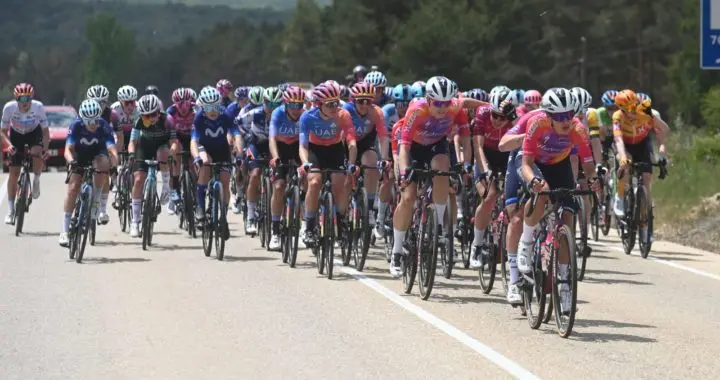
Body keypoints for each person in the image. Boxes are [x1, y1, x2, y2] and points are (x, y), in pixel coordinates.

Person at [517, 87, 600, 313]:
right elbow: (525, 163)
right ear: (549, 116)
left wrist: (593, 180)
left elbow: (589, 165)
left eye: (569, 115)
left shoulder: (577, 129)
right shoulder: (537, 124)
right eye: (560, 117)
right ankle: (525, 243)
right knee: (542, 192)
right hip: (535, 164)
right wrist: (533, 179)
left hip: (559, 165)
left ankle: (564, 281)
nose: (565, 121)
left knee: (568, 214)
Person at [390, 76, 473, 277]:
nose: (443, 108)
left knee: (443, 169)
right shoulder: (417, 109)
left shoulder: (455, 108)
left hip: (436, 146)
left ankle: (436, 226)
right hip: (413, 148)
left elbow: (466, 141)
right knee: (408, 197)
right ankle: (397, 251)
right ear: (428, 100)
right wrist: (403, 173)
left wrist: (467, 165)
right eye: (438, 103)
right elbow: (404, 146)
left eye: (446, 103)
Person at [298, 82, 357, 246]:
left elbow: (351, 142)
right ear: (318, 104)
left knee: (340, 183)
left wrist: (351, 164)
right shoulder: (307, 117)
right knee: (315, 182)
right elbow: (303, 145)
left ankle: (340, 222)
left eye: (337, 102)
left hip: (335, 149)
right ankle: (309, 225)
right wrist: (305, 163)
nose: (334, 107)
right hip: (315, 150)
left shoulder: (343, 115)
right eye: (330, 104)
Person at [59, 99, 119, 246]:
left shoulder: (104, 126)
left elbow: (112, 151)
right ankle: (64, 231)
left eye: (95, 120)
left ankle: (96, 202)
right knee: (73, 188)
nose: (93, 124)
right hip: (79, 155)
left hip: (97, 154)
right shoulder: (76, 125)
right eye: (89, 121)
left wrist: (113, 165)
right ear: (83, 119)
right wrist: (71, 162)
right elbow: (68, 149)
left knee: (103, 164)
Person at [469, 90, 516, 273]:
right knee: (490, 196)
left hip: (506, 156)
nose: (497, 120)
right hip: (485, 155)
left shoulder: (514, 118)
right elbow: (478, 147)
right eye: (494, 115)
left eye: (502, 117)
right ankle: (477, 245)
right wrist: (486, 170)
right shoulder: (482, 114)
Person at [611, 89, 669, 221]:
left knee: (647, 177)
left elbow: (665, 131)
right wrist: (623, 157)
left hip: (641, 144)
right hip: (624, 145)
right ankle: (619, 197)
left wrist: (662, 156)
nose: (632, 111)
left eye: (634, 106)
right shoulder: (617, 116)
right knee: (625, 165)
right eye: (627, 109)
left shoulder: (648, 113)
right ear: (621, 109)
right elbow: (618, 140)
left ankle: (647, 211)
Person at [127, 94, 178, 237]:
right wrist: (131, 154)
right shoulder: (139, 122)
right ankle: (135, 221)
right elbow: (133, 142)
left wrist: (172, 151)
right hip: (145, 147)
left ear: (158, 111)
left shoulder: (167, 120)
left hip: (161, 145)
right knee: (138, 180)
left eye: (153, 114)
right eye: (146, 116)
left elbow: (174, 141)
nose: (150, 118)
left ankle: (166, 187)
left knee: (163, 152)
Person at [236, 87, 283, 234]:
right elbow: (235, 124)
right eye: (270, 104)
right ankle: (250, 215)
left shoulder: (282, 115)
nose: (272, 108)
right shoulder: (255, 113)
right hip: (256, 145)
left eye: (277, 105)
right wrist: (246, 135)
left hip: (273, 146)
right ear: (264, 102)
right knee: (255, 174)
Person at [191, 87, 241, 224]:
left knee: (225, 180)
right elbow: (194, 141)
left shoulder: (226, 115)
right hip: (204, 148)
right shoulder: (199, 118)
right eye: (208, 107)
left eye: (215, 106)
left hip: (222, 148)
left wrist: (240, 154)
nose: (213, 111)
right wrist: (196, 157)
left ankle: (223, 215)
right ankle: (200, 207)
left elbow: (237, 134)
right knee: (206, 162)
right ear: (202, 107)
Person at [1, 83, 49, 225]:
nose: (25, 103)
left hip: (34, 133)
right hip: (16, 135)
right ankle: (10, 210)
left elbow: (45, 131)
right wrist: (8, 146)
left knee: (36, 153)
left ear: (31, 98)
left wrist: (45, 149)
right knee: (13, 174)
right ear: (16, 99)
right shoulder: (9, 108)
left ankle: (36, 180)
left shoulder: (38, 107)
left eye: (27, 99)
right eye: (21, 100)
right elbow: (2, 132)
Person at [344, 82, 389, 229]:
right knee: (342, 177)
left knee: (372, 165)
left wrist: (384, 159)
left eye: (368, 101)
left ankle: (368, 208)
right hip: (345, 145)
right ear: (353, 100)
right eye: (360, 101)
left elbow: (383, 137)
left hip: (365, 144)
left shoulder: (377, 112)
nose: (364, 105)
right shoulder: (346, 110)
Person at [267, 86, 305, 250]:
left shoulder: (304, 115)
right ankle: (275, 230)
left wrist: (306, 163)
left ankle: (304, 226)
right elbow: (272, 139)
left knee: (308, 181)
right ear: (285, 104)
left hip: (298, 148)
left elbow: (307, 142)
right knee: (279, 186)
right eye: (292, 106)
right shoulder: (278, 114)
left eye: (299, 105)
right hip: (280, 148)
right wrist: (275, 157)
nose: (296, 109)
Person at [166, 88, 197, 214]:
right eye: (179, 103)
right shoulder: (170, 112)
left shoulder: (197, 110)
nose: (183, 107)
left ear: (191, 101)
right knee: (175, 158)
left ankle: (195, 190)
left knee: (193, 164)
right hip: (177, 137)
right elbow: (168, 134)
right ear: (174, 103)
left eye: (185, 102)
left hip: (192, 137)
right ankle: (174, 193)